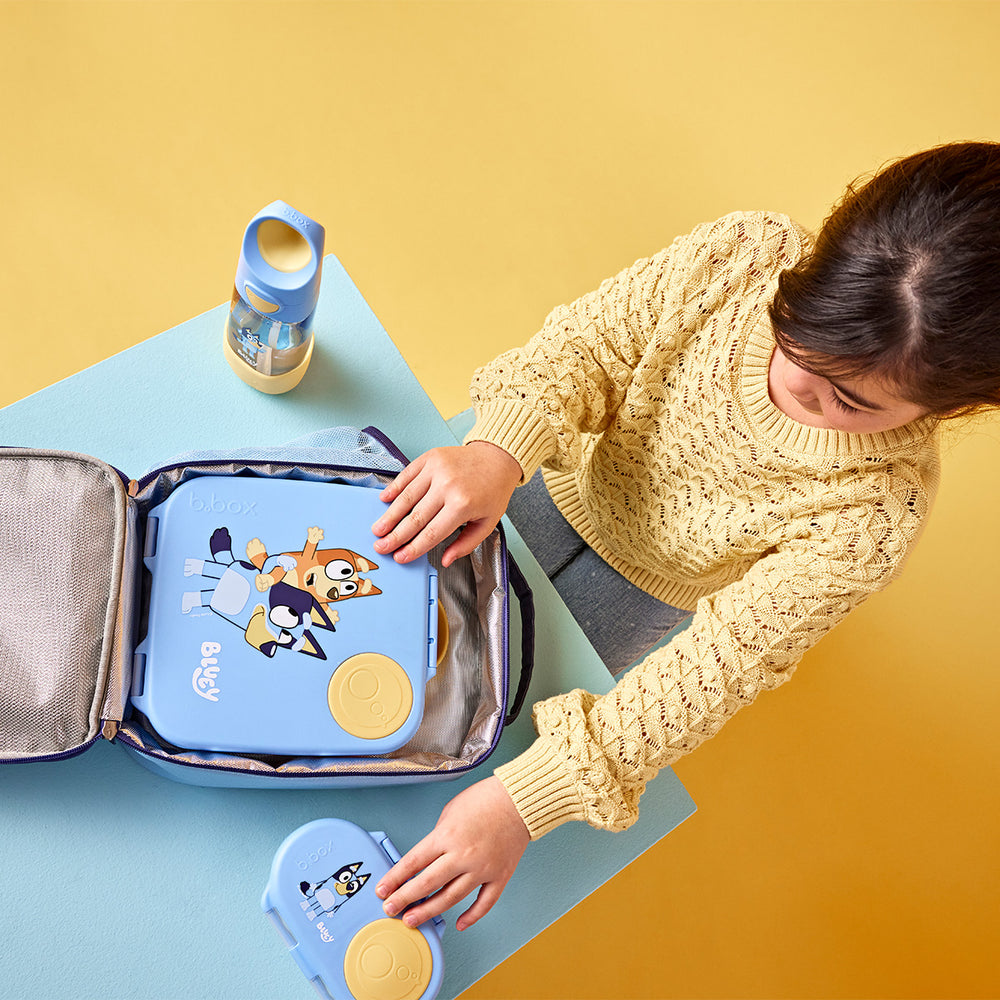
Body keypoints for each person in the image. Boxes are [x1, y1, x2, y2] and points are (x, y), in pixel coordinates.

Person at [369, 141, 1000, 933]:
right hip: (529, 470)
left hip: (636, 596)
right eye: (794, 331)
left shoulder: (876, 516)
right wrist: (495, 446)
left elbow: (720, 667)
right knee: (377, 596)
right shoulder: (744, 254)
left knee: (477, 721)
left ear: (947, 409)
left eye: (850, 401)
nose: (800, 384)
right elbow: (590, 349)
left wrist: (523, 804)